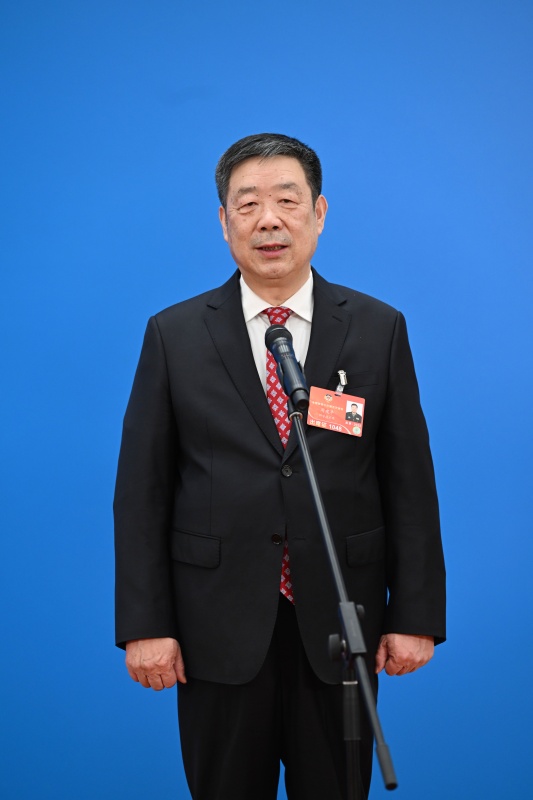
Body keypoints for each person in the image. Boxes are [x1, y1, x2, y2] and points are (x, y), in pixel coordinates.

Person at [114, 133, 446, 800]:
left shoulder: (377, 328)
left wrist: (414, 613)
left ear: (318, 213)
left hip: (340, 623)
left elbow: (408, 482)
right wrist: (146, 626)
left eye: (287, 201)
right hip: (215, 626)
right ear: (224, 221)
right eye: (248, 205)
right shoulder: (174, 335)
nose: (269, 220)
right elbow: (142, 492)